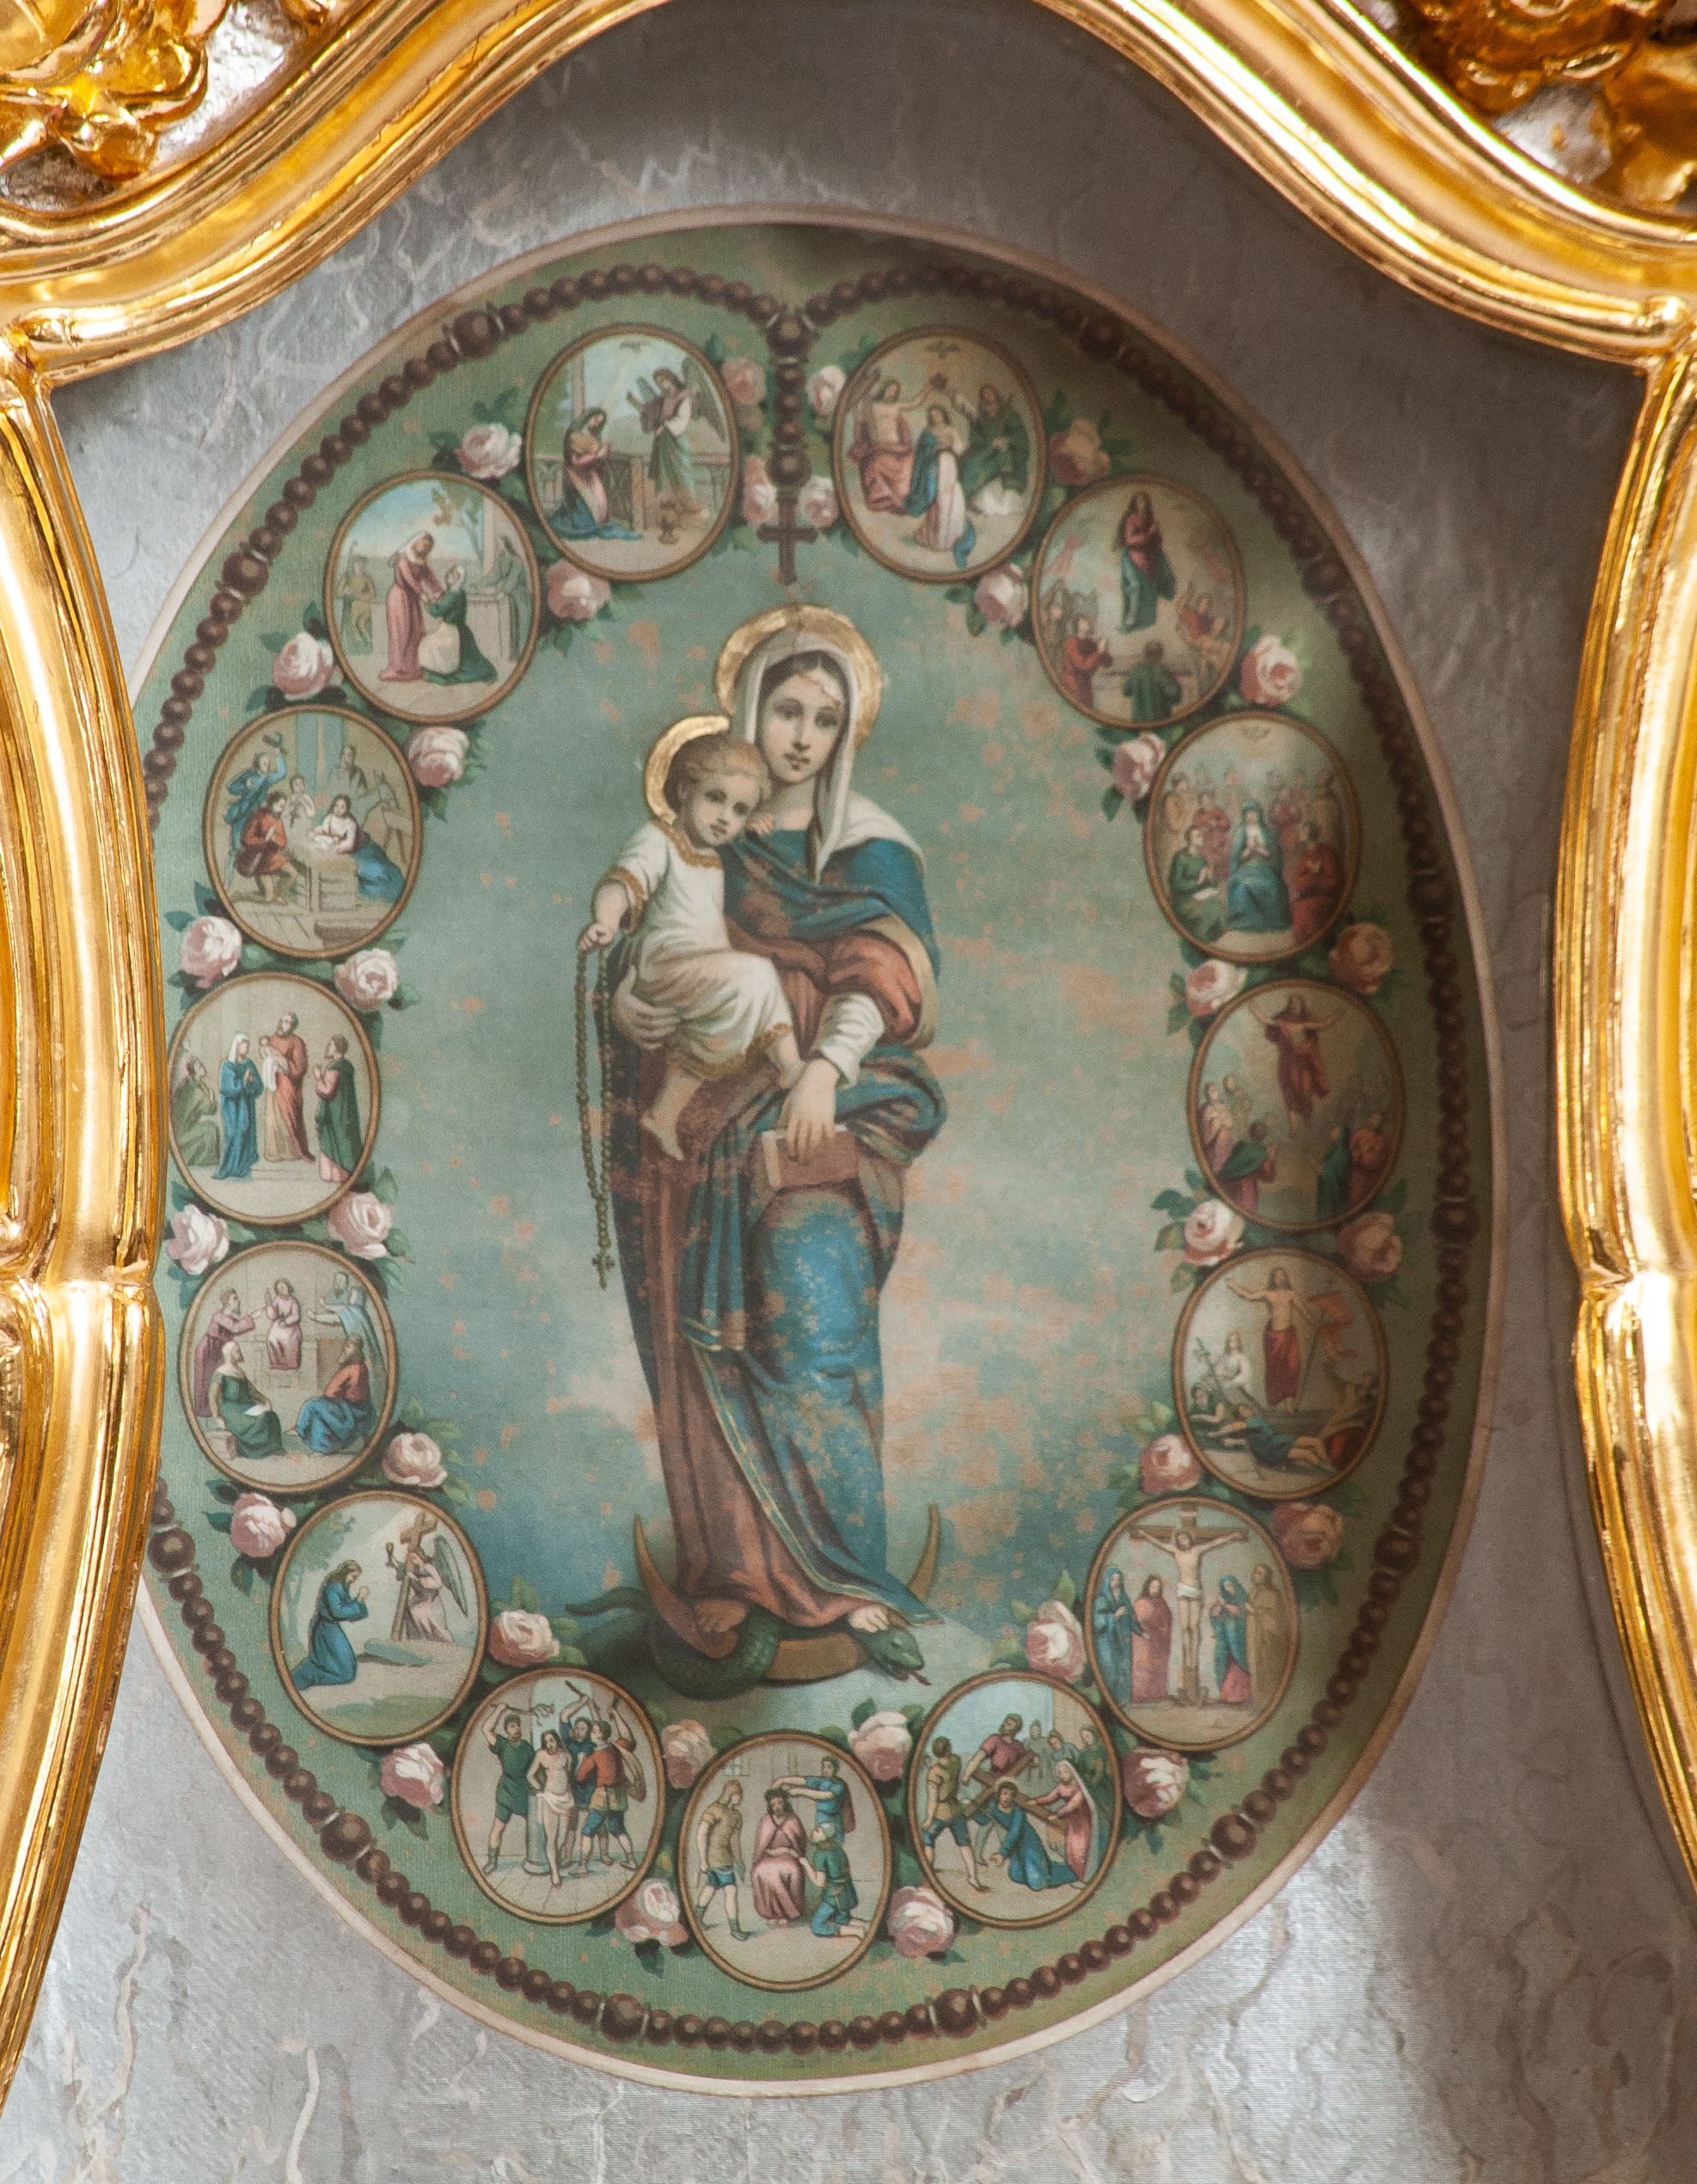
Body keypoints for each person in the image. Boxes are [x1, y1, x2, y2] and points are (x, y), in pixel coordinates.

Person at [604, 611, 945, 1665]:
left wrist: (829, 1070)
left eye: (826, 720)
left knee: (814, 1326)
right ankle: (737, 1579)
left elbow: (884, 972)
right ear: (749, 713)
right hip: (706, 1124)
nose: (803, 737)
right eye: (787, 711)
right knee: (708, 1339)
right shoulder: (709, 833)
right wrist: (631, 1009)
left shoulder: (870, 846)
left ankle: (845, 1578)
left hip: (821, 1113)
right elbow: (653, 955)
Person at [579, 731, 802, 1163]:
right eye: (715, 798)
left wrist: (748, 824)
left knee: (750, 1000)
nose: (724, 818)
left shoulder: (713, 852)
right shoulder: (659, 839)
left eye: (739, 810)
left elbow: (726, 824)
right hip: (666, 966)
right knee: (756, 975)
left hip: (703, 970)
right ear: (684, 791)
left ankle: (667, 1111)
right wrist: (605, 921)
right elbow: (625, 880)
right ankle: (790, 1066)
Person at [1121, 1514, 1248, 1708]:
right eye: (1179, 1539)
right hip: (1182, 1591)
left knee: (1194, 1627)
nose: (1182, 1541)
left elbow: (1216, 1542)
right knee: (1185, 1628)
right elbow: (1159, 1544)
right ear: (1178, 1541)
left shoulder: (1197, 1550)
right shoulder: (1176, 1552)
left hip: (1195, 1590)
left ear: (1189, 1539)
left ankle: (1193, 1657)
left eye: (1185, 1538)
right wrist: (1145, 1535)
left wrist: (1232, 1535)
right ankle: (1188, 1655)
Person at [1226, 1264, 1314, 1411]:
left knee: (1292, 1368)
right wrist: (1232, 1285)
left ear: (1285, 1278)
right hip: (1273, 1338)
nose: (1279, 1278)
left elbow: (1303, 1310)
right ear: (1273, 1279)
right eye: (1276, 1276)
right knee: (1275, 1370)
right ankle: (1276, 1405)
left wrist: (1315, 1324)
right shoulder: (1268, 1294)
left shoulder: (1291, 1294)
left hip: (1289, 1336)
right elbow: (1248, 1296)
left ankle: (1289, 1405)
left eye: (1281, 1275)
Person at [554, 407, 641, 540]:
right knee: (589, 514)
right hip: (576, 475)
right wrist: (598, 455)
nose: (596, 423)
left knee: (602, 510)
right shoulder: (574, 435)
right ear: (588, 417)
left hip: (590, 474)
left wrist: (604, 452)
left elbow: (597, 459)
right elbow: (575, 462)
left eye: (600, 422)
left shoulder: (594, 437)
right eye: (595, 419)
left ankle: (598, 524)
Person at [1252, 992, 1335, 1129]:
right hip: (1288, 1063)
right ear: (1289, 1005)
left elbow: (1324, 1024)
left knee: (1306, 1091)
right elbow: (1266, 1020)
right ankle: (1294, 1126)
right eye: (1292, 1002)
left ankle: (1307, 1119)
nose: (1294, 1005)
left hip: (1304, 1063)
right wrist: (1254, 1008)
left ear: (1302, 1004)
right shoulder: (1282, 1021)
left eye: (1297, 1002)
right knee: (1290, 1092)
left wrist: (1338, 1013)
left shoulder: (1307, 1021)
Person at [573, 1711, 643, 1870]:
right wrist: (616, 1714)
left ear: (601, 1735)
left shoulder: (595, 1756)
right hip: (619, 1796)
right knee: (618, 1829)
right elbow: (628, 1738)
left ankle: (582, 1866)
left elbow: (580, 1776)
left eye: (594, 1731)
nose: (591, 1733)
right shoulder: (616, 1748)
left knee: (587, 1830)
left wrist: (580, 1761)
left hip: (602, 1796)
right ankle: (632, 1861)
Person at [308, 794, 407, 902]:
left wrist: (335, 848)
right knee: (356, 875)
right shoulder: (329, 818)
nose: (338, 809)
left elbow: (349, 844)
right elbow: (323, 829)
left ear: (347, 809)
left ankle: (396, 888)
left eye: (342, 807)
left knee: (379, 872)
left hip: (363, 850)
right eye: (336, 805)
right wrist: (314, 832)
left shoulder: (350, 823)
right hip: (348, 853)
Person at [979, 1781, 1075, 1893]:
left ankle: (1071, 1872)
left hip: (1030, 1844)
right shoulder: (993, 1808)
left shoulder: (1018, 1811)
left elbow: (1015, 1832)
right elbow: (983, 1819)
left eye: (1011, 1795)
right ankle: (1043, 1868)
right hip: (1016, 1848)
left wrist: (1002, 1853)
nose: (1008, 1797)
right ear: (999, 1794)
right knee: (1015, 1875)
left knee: (1037, 1883)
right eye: (1005, 1793)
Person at [908, 402, 972, 564]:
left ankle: (949, 537)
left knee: (949, 497)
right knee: (936, 499)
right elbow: (920, 453)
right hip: (932, 467)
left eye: (937, 414)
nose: (935, 417)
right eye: (932, 415)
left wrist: (949, 445)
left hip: (948, 463)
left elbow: (960, 449)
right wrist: (932, 449)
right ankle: (935, 537)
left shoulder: (951, 430)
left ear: (943, 414)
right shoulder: (927, 432)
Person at [291, 1559, 368, 1689]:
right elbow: (338, 1612)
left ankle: (302, 1677)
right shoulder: (333, 1587)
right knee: (342, 1671)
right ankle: (301, 1678)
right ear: (346, 1573)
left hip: (331, 1628)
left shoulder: (341, 1587)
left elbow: (348, 1609)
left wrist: (359, 1602)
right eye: (353, 1576)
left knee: (346, 1669)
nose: (353, 1580)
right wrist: (359, 1600)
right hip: (324, 1629)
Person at [920, 1736, 983, 1891]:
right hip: (956, 1810)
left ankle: (928, 1878)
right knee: (965, 1845)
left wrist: (929, 1820)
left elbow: (933, 1799)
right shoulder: (956, 1761)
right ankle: (973, 1878)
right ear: (948, 1749)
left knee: (928, 1841)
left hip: (940, 1813)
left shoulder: (934, 1774)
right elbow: (946, 1770)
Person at [847, 376, 919, 511]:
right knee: (877, 462)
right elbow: (858, 418)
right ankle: (885, 497)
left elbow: (915, 403)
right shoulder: (871, 406)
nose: (891, 393)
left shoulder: (895, 406)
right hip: (880, 447)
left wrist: (928, 389)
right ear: (884, 390)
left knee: (910, 460)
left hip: (898, 448)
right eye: (890, 389)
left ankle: (905, 497)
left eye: (894, 391)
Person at [420, 563, 499, 688]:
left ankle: (437, 674)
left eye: (452, 575)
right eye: (450, 573)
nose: (449, 576)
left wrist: (427, 602)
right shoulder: (459, 592)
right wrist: (440, 596)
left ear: (458, 579)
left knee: (428, 644)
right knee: (470, 659)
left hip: (451, 632)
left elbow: (437, 611)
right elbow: (447, 601)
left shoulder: (453, 594)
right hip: (460, 630)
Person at [958, 382, 1029, 517]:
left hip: (1004, 454)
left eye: (989, 394)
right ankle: (963, 499)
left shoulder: (1008, 415)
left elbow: (1020, 436)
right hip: (987, 450)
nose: (987, 397)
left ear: (996, 396)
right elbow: (976, 439)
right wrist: (980, 437)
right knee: (968, 462)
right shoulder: (982, 418)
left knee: (978, 467)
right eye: (983, 396)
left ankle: (966, 499)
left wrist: (1006, 440)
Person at [295, 1338, 375, 1453]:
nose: (345, 1349)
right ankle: (323, 1444)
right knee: (318, 1416)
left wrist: (333, 1397)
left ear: (356, 1350)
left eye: (348, 1346)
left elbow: (331, 1392)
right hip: (353, 1407)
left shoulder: (353, 1369)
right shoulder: (360, 1367)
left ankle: (300, 1430)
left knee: (311, 1405)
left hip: (349, 1409)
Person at [210, 1342, 284, 1464]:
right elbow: (212, 1397)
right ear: (230, 1354)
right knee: (260, 1421)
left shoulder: (240, 1372)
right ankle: (256, 1451)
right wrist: (217, 1417)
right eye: (237, 1351)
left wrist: (265, 1400)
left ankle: (273, 1449)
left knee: (271, 1416)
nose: (240, 1353)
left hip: (247, 1406)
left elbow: (252, 1392)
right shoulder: (220, 1373)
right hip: (231, 1411)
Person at [695, 1778, 750, 1938]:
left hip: (725, 1857)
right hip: (715, 1856)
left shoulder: (737, 1815)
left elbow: (735, 1841)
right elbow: (701, 1833)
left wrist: (739, 1862)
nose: (740, 1797)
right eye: (737, 1794)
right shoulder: (715, 1809)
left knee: (710, 1887)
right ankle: (735, 1929)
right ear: (729, 1794)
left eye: (740, 1794)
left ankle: (696, 1918)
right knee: (731, 1891)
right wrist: (703, 1860)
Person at [381, 532, 441, 682]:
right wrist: (423, 595)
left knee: (416, 631)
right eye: (423, 544)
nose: (425, 547)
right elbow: (409, 580)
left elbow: (431, 579)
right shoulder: (403, 559)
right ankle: (398, 668)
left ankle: (413, 667)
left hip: (413, 599)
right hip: (399, 597)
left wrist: (440, 592)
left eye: (428, 546)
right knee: (401, 632)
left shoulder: (422, 562)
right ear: (416, 542)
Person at [481, 1709, 535, 1876]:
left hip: (523, 1791)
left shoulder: (527, 1748)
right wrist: (499, 1709)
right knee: (498, 1828)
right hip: (506, 1791)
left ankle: (533, 1858)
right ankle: (492, 1862)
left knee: (533, 1827)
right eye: (512, 1726)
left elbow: (535, 1770)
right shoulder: (502, 1744)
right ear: (506, 1730)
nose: (516, 1728)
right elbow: (486, 1729)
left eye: (518, 1725)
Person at [1226, 799, 1291, 934]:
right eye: (1248, 813)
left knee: (1272, 885)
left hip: (1264, 868)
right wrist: (1249, 850)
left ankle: (1271, 920)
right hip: (1246, 868)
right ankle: (1248, 921)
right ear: (1244, 816)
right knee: (1243, 885)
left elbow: (1274, 856)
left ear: (1259, 814)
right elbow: (1236, 858)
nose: (1251, 816)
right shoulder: (1240, 833)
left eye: (1254, 813)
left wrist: (1261, 850)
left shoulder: (1267, 833)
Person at [1027, 1762, 1097, 1882]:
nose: (1061, 1775)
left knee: (1082, 1847)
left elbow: (1072, 1805)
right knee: (1071, 1847)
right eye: (1059, 1773)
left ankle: (1087, 1875)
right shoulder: (1061, 1787)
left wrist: (1057, 1815)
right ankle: (1078, 1875)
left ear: (1073, 1772)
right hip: (1073, 1821)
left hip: (1084, 1820)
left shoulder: (1080, 1788)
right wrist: (1037, 1801)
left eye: (1065, 1772)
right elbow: (1050, 1797)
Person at [528, 1730, 580, 1888]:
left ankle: (554, 1863)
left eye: (552, 1740)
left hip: (565, 1800)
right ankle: (555, 1872)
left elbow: (568, 1776)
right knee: (551, 1838)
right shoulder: (541, 1755)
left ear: (557, 1740)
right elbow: (530, 1775)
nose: (549, 1744)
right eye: (546, 1742)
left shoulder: (566, 1755)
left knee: (562, 1838)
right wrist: (541, 1788)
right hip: (549, 1799)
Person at [1118, 489, 1175, 632]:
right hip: (1133, 557)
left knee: (1149, 589)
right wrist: (1149, 533)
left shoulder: (1150, 519)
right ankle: (1130, 621)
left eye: (1143, 501)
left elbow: (1157, 541)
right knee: (1135, 587)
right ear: (1135, 503)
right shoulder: (1132, 519)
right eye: (1139, 501)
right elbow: (1129, 540)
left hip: (1148, 558)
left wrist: (1156, 534)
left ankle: (1146, 621)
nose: (1141, 504)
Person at [750, 1788, 810, 1923]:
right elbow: (760, 1844)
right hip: (768, 1856)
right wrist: (768, 1853)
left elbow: (801, 1842)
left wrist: (787, 1851)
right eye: (773, 1804)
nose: (777, 1807)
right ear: (770, 1806)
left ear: (785, 1803)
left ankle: (788, 1913)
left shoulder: (793, 1819)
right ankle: (771, 1913)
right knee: (760, 1871)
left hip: (788, 1855)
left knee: (792, 1870)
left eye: (779, 1803)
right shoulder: (766, 1820)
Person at [192, 1288, 254, 1416]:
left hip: (219, 1350)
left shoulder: (230, 1318)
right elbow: (235, 1328)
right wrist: (252, 1317)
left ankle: (219, 1408)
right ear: (227, 1302)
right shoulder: (219, 1316)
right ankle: (205, 1410)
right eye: (235, 1299)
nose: (238, 1301)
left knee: (220, 1379)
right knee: (207, 1380)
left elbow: (236, 1326)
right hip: (208, 1350)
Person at [314, 1034, 364, 1184]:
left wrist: (318, 1077)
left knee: (334, 1140)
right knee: (345, 1140)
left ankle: (336, 1175)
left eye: (330, 1045)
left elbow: (326, 1090)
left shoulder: (336, 1068)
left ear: (336, 1048)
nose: (328, 1048)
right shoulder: (346, 1067)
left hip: (335, 1115)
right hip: (345, 1113)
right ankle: (345, 1174)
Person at [772, 1753, 854, 1843]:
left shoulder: (838, 1785)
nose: (825, 1770)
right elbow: (803, 1780)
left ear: (835, 1769)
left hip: (833, 1828)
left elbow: (824, 1795)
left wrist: (799, 1791)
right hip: (820, 1825)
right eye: (824, 1767)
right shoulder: (821, 1781)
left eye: (829, 1767)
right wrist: (782, 1780)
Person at [262, 1012, 311, 1163]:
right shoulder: (272, 1040)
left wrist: (281, 1061)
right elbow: (266, 1057)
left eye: (290, 1023)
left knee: (289, 1117)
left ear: (294, 1025)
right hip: (273, 1084)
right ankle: (275, 1152)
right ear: (280, 1022)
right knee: (273, 1118)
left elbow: (300, 1067)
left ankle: (292, 1152)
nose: (287, 1025)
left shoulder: (297, 1042)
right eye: (285, 1021)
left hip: (289, 1085)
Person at [213, 1036, 263, 1183]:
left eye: (247, 1045)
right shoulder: (227, 1065)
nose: (246, 1048)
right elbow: (227, 1087)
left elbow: (259, 1087)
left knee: (245, 1132)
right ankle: (227, 1168)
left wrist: (252, 1081)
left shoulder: (249, 1064)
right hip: (232, 1107)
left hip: (246, 1106)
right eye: (244, 1045)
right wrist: (243, 1081)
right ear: (237, 1046)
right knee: (232, 1134)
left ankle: (241, 1168)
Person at [1168, 822, 1226, 944]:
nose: (1202, 838)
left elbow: (1209, 883)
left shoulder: (1201, 858)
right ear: (1190, 840)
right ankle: (1200, 941)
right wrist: (1198, 882)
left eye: (1201, 836)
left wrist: (1210, 878)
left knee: (1218, 906)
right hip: (1184, 899)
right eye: (1198, 836)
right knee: (1206, 911)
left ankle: (1211, 940)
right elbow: (1176, 884)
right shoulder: (1181, 857)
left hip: (1200, 896)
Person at [1289, 819, 1343, 945]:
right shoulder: (1306, 856)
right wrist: (1311, 876)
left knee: (1306, 909)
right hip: (1308, 897)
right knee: (1297, 907)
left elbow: (1333, 881)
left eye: (1303, 830)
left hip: (1325, 897)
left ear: (1310, 832)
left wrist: (1313, 878)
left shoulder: (1326, 853)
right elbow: (1298, 884)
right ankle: (1304, 946)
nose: (1299, 833)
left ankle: (1315, 945)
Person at [235, 788, 295, 902]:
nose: (283, 808)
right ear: (272, 803)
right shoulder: (258, 816)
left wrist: (274, 838)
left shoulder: (277, 818)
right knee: (267, 899)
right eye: (281, 805)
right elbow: (246, 839)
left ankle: (277, 895)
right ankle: (243, 896)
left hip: (273, 857)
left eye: (283, 806)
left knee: (292, 874)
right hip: (259, 860)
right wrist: (265, 839)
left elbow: (283, 841)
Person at [802, 1824, 861, 1937]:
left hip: (833, 1897)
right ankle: (867, 1926)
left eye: (818, 1831)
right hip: (846, 1894)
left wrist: (806, 1864)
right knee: (842, 1920)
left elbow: (820, 1883)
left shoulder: (820, 1854)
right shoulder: (836, 1848)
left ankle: (857, 1931)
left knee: (816, 1926)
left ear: (825, 1836)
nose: (813, 1831)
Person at [173, 1054, 222, 1172]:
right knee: (210, 1128)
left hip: (185, 1127)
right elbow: (209, 1109)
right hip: (182, 1132)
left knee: (209, 1127)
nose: (203, 1067)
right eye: (200, 1067)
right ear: (194, 1072)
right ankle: (205, 1162)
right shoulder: (194, 1089)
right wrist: (211, 1099)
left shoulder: (195, 1083)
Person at [1247, 1563, 1289, 1705]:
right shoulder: (1253, 1592)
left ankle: (1268, 1700)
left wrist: (1254, 1611)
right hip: (1254, 1638)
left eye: (1260, 1573)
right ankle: (1258, 1701)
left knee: (1267, 1667)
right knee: (1255, 1667)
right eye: (1255, 1572)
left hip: (1268, 1640)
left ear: (1266, 1577)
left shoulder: (1272, 1594)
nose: (1255, 1575)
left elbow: (1277, 1620)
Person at [1130, 1574, 1173, 1702]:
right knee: (1145, 1666)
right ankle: (1142, 1694)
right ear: (1147, 1587)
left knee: (1158, 1668)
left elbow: (1167, 1620)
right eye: (1153, 1587)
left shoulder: (1162, 1604)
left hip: (1160, 1642)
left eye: (1158, 1587)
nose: (1155, 1590)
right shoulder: (1141, 1602)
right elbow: (1138, 1620)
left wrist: (1161, 1629)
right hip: (1144, 1642)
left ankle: (1157, 1695)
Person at [1210, 1575, 1253, 1704]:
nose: (1227, 1589)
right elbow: (1217, 1616)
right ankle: (1227, 1697)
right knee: (1225, 1663)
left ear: (1235, 1585)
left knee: (1239, 1665)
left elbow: (1241, 1613)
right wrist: (1216, 1613)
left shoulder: (1242, 1597)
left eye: (1229, 1585)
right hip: (1226, 1639)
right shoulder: (1225, 1599)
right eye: (1225, 1587)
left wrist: (1224, 1605)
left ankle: (1242, 1696)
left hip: (1239, 1638)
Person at [1092, 1569, 1134, 1700]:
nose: (1116, 1582)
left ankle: (1122, 1699)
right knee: (1110, 1668)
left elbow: (1132, 1618)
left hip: (1122, 1640)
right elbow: (1097, 1622)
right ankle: (1109, 1699)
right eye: (1113, 1579)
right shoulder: (1101, 1599)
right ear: (1108, 1581)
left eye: (1119, 1579)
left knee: (1123, 1668)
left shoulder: (1124, 1598)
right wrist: (1115, 1615)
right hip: (1106, 1642)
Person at [1057, 612, 1112, 711]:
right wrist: (1099, 652)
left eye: (1088, 621)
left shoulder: (1090, 643)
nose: (1089, 623)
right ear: (1078, 626)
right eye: (1085, 621)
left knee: (1088, 710)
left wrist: (1104, 651)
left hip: (1086, 686)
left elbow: (1108, 663)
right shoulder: (1071, 643)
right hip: (1073, 685)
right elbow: (1083, 666)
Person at [1122, 639, 1181, 724]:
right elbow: (1173, 694)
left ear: (1145, 654)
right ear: (1159, 655)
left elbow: (1125, 692)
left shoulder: (1136, 670)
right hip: (1161, 721)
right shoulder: (1162, 670)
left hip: (1139, 722)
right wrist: (1177, 685)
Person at [1351, 1110, 1390, 1205]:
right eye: (1373, 1119)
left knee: (1366, 1196)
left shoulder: (1380, 1140)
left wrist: (1367, 1154)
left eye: (1378, 1120)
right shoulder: (1361, 1133)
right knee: (1355, 1195)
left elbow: (1379, 1158)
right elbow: (1352, 1148)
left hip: (1370, 1175)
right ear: (1370, 1119)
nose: (1375, 1122)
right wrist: (1359, 1154)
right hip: (1358, 1171)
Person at [1317, 1123, 1355, 1221]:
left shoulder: (1342, 1152)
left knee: (1332, 1212)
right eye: (1332, 1130)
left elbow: (1337, 1171)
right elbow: (1326, 1162)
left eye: (1335, 1131)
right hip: (1327, 1185)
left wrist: (1324, 1168)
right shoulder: (1333, 1148)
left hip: (1335, 1188)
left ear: (1341, 1135)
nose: (1332, 1133)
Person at [264, 1278, 302, 1373]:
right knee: (271, 1338)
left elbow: (296, 1316)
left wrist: (286, 1322)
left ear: (288, 1287)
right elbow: (272, 1316)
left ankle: (289, 1364)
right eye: (279, 1289)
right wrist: (269, 1304)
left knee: (288, 1340)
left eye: (283, 1287)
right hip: (279, 1325)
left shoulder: (293, 1301)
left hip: (291, 1327)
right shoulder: (277, 1299)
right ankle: (277, 1363)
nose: (281, 1290)